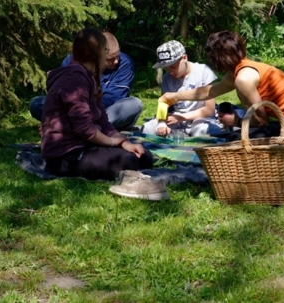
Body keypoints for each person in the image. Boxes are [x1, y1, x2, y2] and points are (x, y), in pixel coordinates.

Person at [41, 28, 168, 200]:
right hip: (65, 155)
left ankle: (130, 169)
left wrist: (123, 142)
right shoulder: (75, 79)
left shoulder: (89, 77)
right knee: (128, 161)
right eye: (106, 52)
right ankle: (132, 182)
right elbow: (84, 129)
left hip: (84, 145)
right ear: (97, 54)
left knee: (143, 155)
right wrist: (114, 142)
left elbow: (102, 119)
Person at [160, 31, 284, 139]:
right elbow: (209, 92)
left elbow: (261, 122)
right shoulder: (240, 69)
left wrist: (236, 120)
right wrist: (174, 96)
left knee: (234, 139)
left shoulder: (243, 79)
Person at [29, 32, 143, 132]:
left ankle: (75, 126)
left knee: (134, 104)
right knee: (37, 103)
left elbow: (115, 97)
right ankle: (84, 127)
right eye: (110, 59)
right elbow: (62, 93)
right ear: (98, 55)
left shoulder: (125, 63)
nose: (116, 61)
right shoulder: (72, 61)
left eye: (117, 56)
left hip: (103, 110)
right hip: (75, 108)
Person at [141, 40, 222, 137]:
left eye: (173, 66)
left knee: (204, 132)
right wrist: (161, 123)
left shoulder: (203, 71)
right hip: (176, 117)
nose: (170, 71)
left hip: (200, 118)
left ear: (184, 58)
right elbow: (163, 104)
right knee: (147, 129)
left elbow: (209, 110)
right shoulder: (167, 78)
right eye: (166, 68)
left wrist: (180, 118)